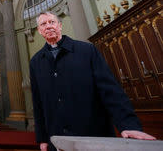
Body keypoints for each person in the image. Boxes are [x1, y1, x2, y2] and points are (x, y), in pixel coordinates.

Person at [30, 11, 156, 151]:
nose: (48, 26)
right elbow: (38, 103)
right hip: (57, 137)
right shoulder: (35, 62)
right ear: (39, 31)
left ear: (60, 25)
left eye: (52, 22)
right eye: (43, 24)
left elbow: (111, 91)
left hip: (93, 133)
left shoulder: (86, 50)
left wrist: (129, 125)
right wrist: (42, 138)